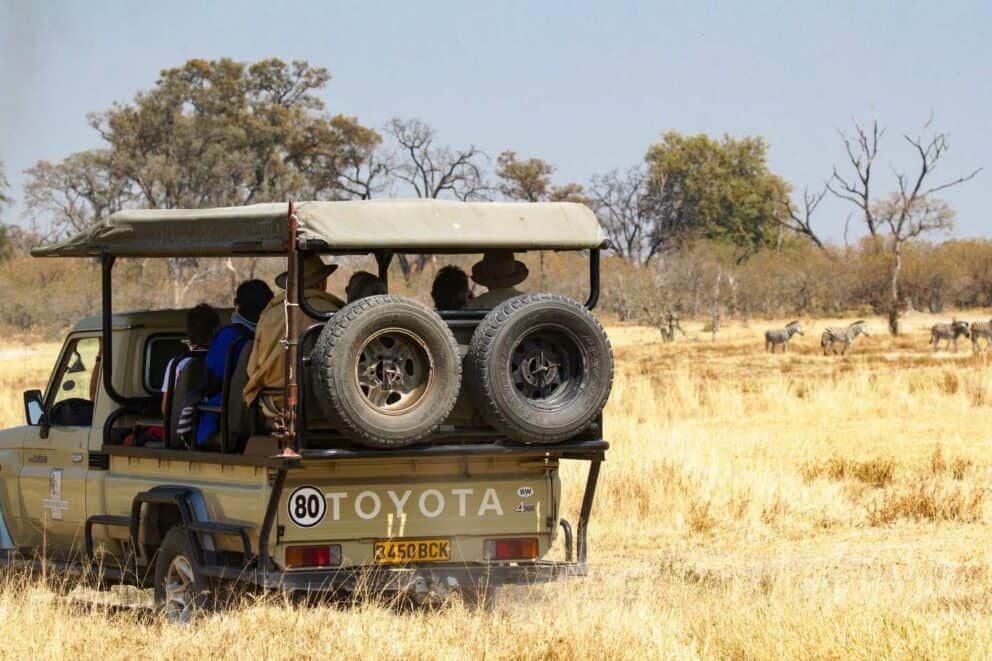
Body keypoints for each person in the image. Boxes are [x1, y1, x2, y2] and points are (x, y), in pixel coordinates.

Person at [243, 255, 344, 406]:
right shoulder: (337, 314)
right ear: (321, 282)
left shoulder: (269, 313)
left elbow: (252, 367)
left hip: (275, 399)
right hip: (325, 402)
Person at [197, 279, 274, 446]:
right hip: (262, 415)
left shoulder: (228, 337)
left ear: (236, 305)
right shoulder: (272, 338)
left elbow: (212, 380)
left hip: (221, 418)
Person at [161, 304, 220, 417]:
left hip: (181, 425)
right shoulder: (224, 360)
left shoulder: (179, 363)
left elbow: (166, 409)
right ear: (216, 331)